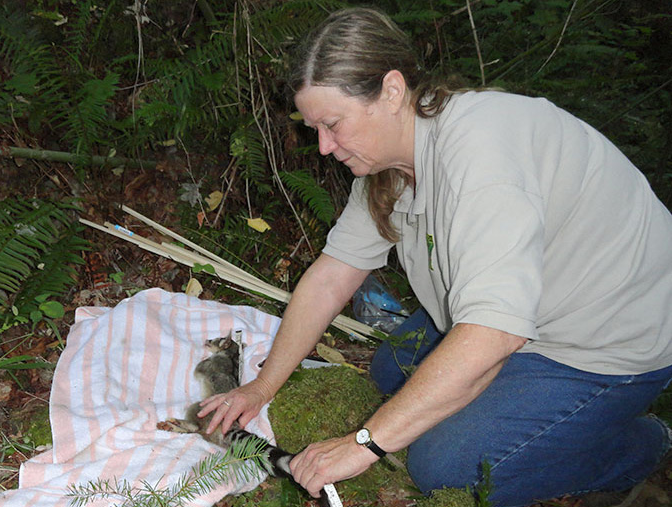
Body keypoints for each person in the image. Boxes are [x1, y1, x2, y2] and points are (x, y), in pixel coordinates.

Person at [197, 6, 672, 506]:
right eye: (316, 127)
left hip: (604, 339)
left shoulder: (481, 153)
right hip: (524, 311)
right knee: (390, 371)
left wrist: (365, 444)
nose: (323, 147)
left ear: (392, 90)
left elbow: (494, 334)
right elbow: (332, 276)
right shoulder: (391, 159)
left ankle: (639, 446)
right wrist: (260, 387)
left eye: (333, 124)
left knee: (443, 467)